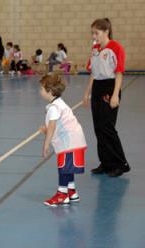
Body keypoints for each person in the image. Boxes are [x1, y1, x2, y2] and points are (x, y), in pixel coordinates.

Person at [83, 18, 130, 177]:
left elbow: (119, 73)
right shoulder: (95, 49)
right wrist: (87, 93)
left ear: (106, 31)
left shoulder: (116, 48)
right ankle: (106, 163)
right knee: (98, 128)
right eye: (92, 33)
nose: (94, 36)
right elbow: (93, 73)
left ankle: (121, 163)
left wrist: (115, 94)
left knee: (108, 127)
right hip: (97, 88)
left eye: (96, 32)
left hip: (110, 88)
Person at [39, 74, 87, 207]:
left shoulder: (53, 108)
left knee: (64, 169)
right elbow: (58, 124)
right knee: (68, 168)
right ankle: (72, 192)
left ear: (49, 91)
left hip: (69, 143)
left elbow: (53, 126)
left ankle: (62, 195)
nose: (40, 91)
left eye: (42, 89)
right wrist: (46, 129)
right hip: (76, 140)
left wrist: (46, 144)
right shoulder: (59, 103)